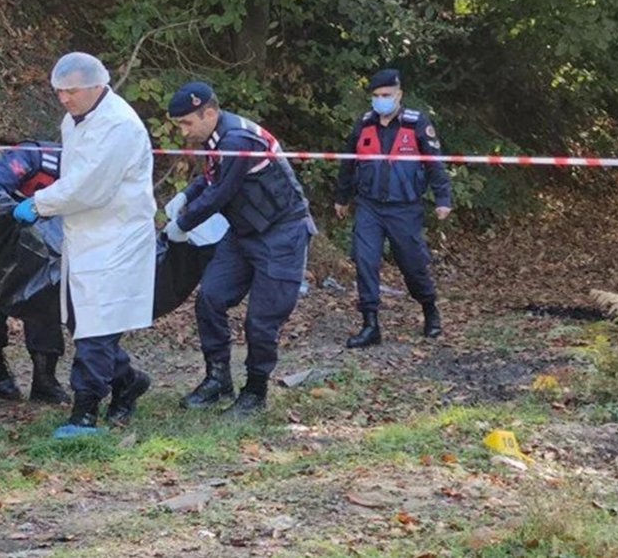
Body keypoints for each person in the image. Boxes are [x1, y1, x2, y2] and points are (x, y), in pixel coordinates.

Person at [11, 52, 157, 438]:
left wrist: (40, 204)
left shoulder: (119, 126)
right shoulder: (73, 120)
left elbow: (90, 187)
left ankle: (86, 410)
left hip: (117, 236)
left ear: (97, 86)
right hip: (85, 233)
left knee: (96, 325)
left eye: (71, 91)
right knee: (85, 321)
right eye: (59, 92)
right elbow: (73, 175)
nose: (64, 99)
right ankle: (128, 381)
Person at [163, 82, 315, 416]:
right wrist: (187, 195)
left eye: (188, 123)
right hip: (245, 232)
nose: (184, 131)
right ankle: (218, 379)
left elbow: (221, 194)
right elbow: (212, 177)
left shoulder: (238, 139)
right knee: (210, 298)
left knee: (261, 320)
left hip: (282, 234)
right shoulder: (217, 137)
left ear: (210, 113)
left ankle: (255, 392)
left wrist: (183, 225)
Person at [334, 68, 451, 348]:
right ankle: (370, 324)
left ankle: (429, 309)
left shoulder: (416, 123)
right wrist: (342, 197)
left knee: (413, 265)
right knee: (365, 260)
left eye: (386, 95)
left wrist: (443, 198)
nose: (380, 101)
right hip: (369, 206)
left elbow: (434, 162)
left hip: (404, 208)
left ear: (399, 95)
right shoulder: (364, 124)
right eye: (375, 96)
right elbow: (348, 164)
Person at [0, 140, 70, 404]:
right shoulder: (32, 156)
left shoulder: (91, 170)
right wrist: (15, 211)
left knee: (46, 306)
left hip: (45, 252)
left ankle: (44, 380)